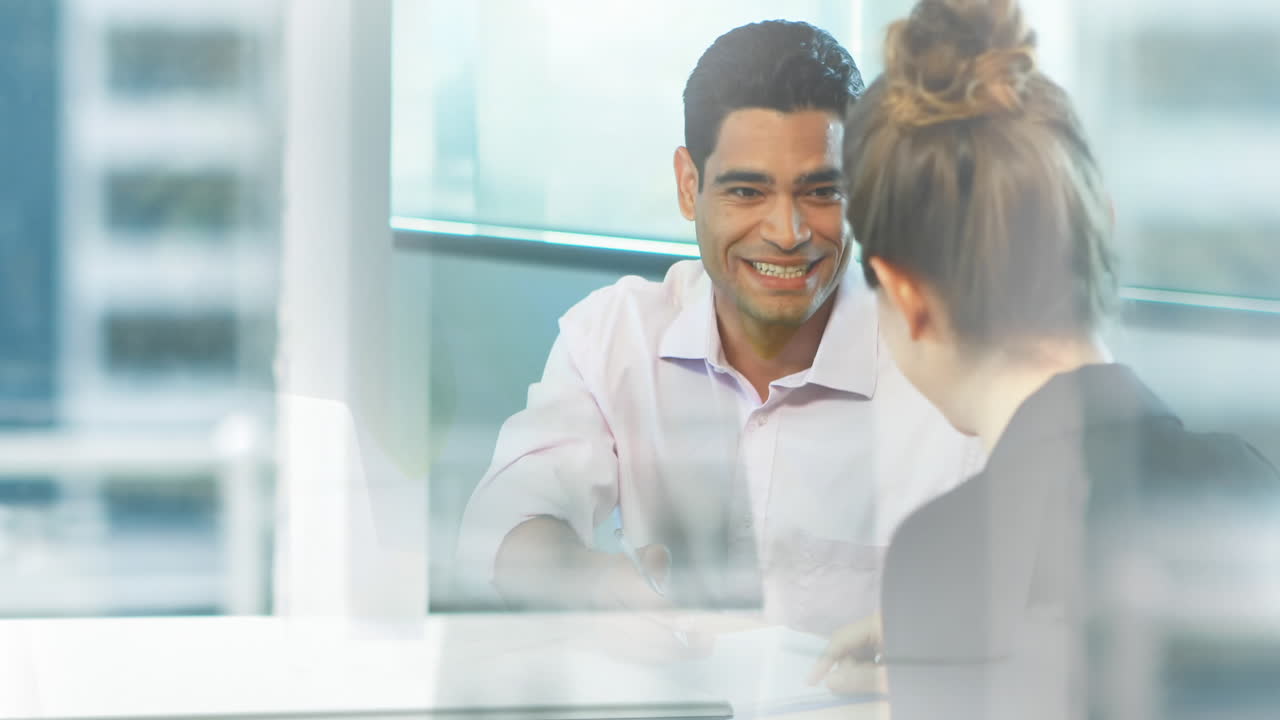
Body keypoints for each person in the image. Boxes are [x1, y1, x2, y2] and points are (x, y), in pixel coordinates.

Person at [809, 0, 1280, 714]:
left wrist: (940, 626)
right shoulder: (1250, 486)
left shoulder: (946, 556)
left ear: (906, 295)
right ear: (1104, 229)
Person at [457, 19, 981, 644]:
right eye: (747, 190)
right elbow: (502, 520)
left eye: (821, 191)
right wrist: (587, 581)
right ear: (688, 186)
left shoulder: (949, 369)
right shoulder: (618, 335)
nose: (787, 231)